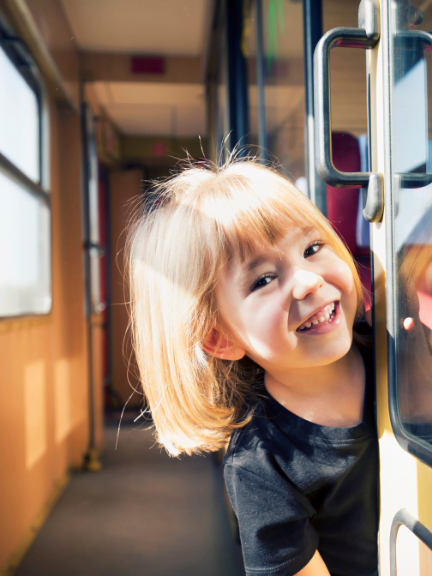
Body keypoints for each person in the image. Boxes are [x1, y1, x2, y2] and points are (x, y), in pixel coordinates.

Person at [126, 157, 378, 576]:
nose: (308, 280)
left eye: (312, 249)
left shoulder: (395, 349)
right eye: (263, 280)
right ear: (220, 338)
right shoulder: (261, 464)